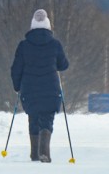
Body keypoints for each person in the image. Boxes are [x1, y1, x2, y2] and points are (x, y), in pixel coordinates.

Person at [10, 9, 69, 163]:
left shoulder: (23, 46)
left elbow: (16, 68)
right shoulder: (55, 44)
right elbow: (63, 65)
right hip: (51, 89)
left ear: (32, 26)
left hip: (29, 90)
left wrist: (17, 87)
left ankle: (34, 154)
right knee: (47, 119)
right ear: (48, 26)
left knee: (33, 118)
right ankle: (44, 151)